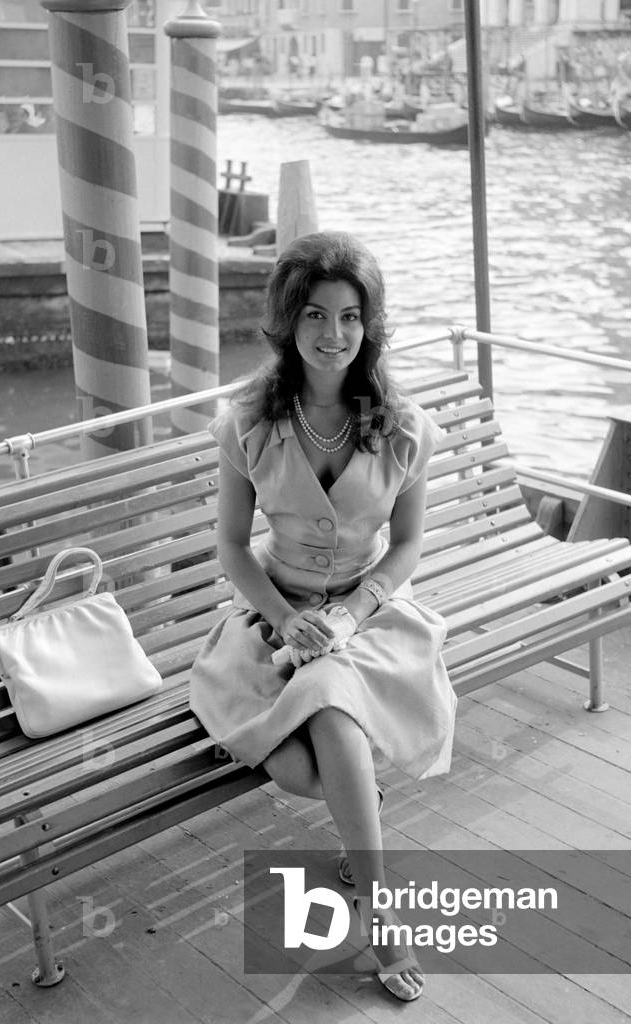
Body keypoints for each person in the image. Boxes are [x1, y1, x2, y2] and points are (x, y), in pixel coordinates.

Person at [189, 231, 457, 1002]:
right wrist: (284, 616)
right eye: (314, 314)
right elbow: (234, 551)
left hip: (369, 617)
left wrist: (351, 610)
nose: (332, 335)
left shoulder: (406, 426)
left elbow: (404, 546)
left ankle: (377, 916)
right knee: (297, 768)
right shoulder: (246, 422)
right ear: (287, 321)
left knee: (333, 708)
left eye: (348, 316)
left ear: (368, 324)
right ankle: (360, 809)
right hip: (270, 617)